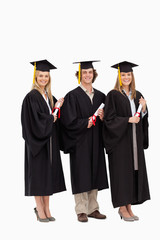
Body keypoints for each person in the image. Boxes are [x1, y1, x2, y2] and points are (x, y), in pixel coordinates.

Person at [60, 60, 109, 222]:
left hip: (96, 141)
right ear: (79, 75)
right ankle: (81, 210)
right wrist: (84, 122)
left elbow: (109, 121)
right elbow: (67, 121)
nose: (87, 75)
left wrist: (103, 118)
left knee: (94, 171)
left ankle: (93, 208)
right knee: (81, 173)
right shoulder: (72, 96)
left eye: (90, 72)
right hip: (79, 141)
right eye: (84, 72)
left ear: (93, 74)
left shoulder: (101, 96)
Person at [103, 61, 150, 221]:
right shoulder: (113, 95)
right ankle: (122, 208)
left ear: (132, 76)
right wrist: (127, 120)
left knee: (132, 172)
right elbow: (108, 120)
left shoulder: (137, 95)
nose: (126, 77)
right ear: (119, 76)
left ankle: (129, 206)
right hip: (119, 143)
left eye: (128, 74)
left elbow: (141, 119)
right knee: (121, 174)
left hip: (134, 141)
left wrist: (144, 109)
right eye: (123, 74)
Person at [21, 60, 66, 222]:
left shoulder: (49, 96)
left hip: (49, 142)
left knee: (47, 176)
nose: (43, 79)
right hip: (37, 144)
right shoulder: (31, 97)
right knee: (39, 176)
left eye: (46, 76)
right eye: (40, 76)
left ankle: (47, 208)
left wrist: (58, 107)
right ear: (35, 77)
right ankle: (39, 209)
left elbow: (54, 117)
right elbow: (33, 121)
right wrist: (51, 118)